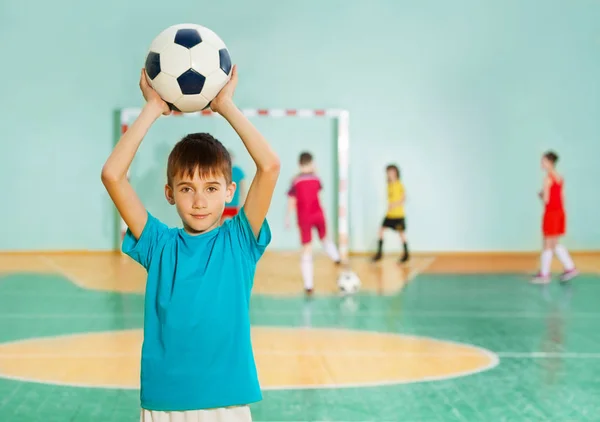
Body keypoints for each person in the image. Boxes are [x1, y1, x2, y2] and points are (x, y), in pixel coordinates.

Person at [101, 65, 280, 422]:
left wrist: (225, 105)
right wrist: (152, 107)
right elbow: (112, 175)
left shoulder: (239, 240)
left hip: (226, 402)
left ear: (229, 192)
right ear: (170, 194)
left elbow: (270, 166)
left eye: (211, 189)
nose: (199, 201)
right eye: (187, 189)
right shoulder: (158, 245)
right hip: (164, 403)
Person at [286, 152, 340, 294]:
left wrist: (287, 217)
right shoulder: (316, 178)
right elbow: (318, 191)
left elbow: (292, 200)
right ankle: (337, 258)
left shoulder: (295, 181)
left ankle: (309, 285)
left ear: (299, 164)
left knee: (307, 248)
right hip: (318, 214)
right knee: (324, 238)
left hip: (304, 217)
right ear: (312, 163)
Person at [532, 151, 578, 284]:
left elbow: (546, 200)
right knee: (554, 243)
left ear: (549, 162)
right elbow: (561, 197)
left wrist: (541, 195)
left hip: (551, 213)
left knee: (547, 243)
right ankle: (570, 268)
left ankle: (544, 274)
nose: (541, 164)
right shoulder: (559, 177)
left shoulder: (547, 178)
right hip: (560, 213)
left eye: (543, 161)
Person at [372, 164, 409, 263]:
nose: (390, 174)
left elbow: (403, 198)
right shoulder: (389, 185)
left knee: (401, 234)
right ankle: (379, 254)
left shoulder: (399, 184)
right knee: (381, 230)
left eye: (392, 172)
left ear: (396, 173)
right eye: (388, 172)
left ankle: (406, 254)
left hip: (398, 215)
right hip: (389, 214)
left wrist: (394, 204)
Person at [221, 150, 246, 223]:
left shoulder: (238, 171)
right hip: (222, 205)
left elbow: (243, 190)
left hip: (234, 205)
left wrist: (242, 206)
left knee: (234, 226)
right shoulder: (220, 171)